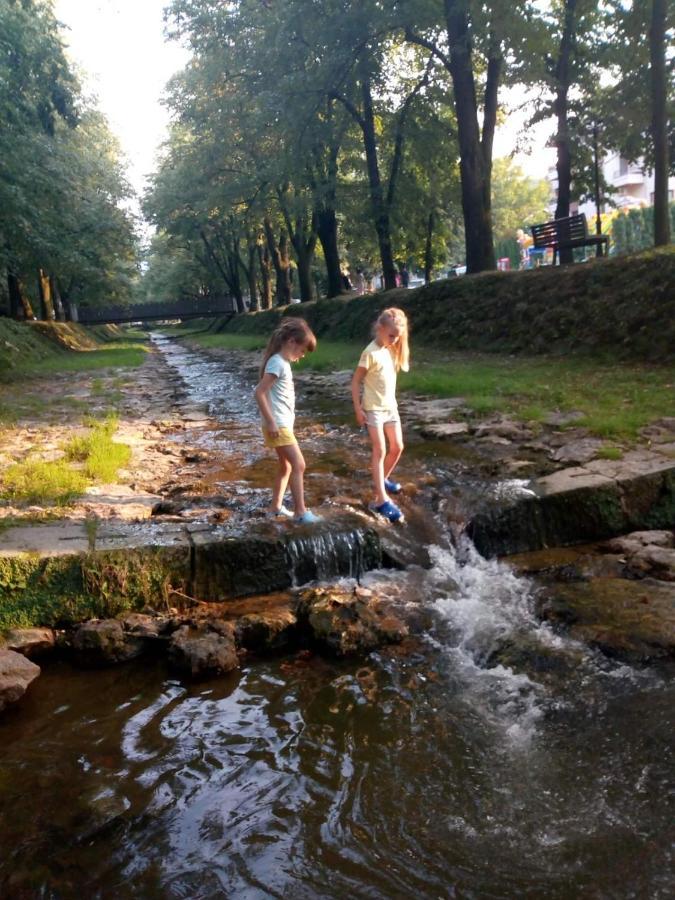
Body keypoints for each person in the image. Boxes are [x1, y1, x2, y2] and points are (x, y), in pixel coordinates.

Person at [254, 318, 322, 523]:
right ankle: (300, 512)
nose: (301, 356)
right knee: (299, 464)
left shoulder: (280, 362)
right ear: (292, 342)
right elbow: (259, 392)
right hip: (278, 424)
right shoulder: (277, 362)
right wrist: (272, 422)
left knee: (287, 466)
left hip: (281, 423)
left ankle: (275, 507)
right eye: (302, 351)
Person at [351, 307, 410, 523]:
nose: (394, 340)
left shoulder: (390, 349)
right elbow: (356, 381)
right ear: (380, 328)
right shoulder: (370, 352)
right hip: (373, 409)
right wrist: (358, 408)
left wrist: (396, 343)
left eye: (398, 336)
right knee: (380, 449)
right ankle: (380, 500)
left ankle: (381, 478)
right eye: (391, 335)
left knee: (397, 447)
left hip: (390, 407)